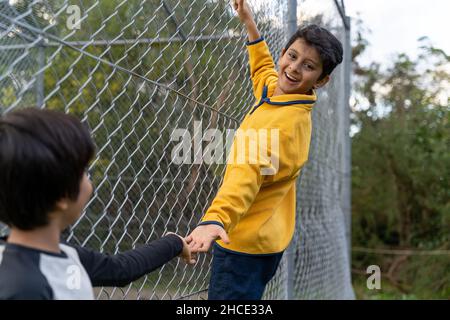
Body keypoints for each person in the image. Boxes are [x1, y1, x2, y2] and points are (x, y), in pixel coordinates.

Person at [186, 0, 343, 300]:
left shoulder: (281, 128)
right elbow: (264, 74)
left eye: (308, 66)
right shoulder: (284, 96)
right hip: (267, 240)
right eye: (292, 56)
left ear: (322, 80)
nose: (294, 69)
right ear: (283, 53)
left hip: (242, 247)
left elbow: (245, 178)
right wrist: (250, 24)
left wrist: (214, 220)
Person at [0, 107, 195, 300]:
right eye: (84, 171)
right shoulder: (25, 289)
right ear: (62, 196)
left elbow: (120, 269)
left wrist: (174, 243)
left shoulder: (63, 254)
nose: (89, 178)